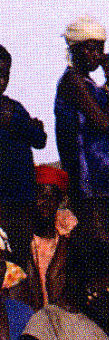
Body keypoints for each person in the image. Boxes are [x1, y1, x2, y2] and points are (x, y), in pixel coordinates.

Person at [54, 18, 109, 248]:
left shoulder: (97, 89)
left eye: (100, 48)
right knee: (99, 250)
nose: (97, 55)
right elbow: (103, 123)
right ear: (74, 49)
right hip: (91, 185)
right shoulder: (72, 81)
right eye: (90, 48)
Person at [0, 46, 46, 266]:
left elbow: (40, 140)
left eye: (5, 74)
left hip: (21, 203)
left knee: (20, 264)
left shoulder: (13, 109)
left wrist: (22, 125)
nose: (1, 80)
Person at [27, 166, 76, 311]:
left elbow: (55, 277)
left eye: (51, 197)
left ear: (59, 201)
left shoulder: (66, 235)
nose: (45, 203)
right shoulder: (27, 240)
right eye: (40, 196)